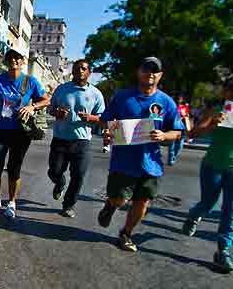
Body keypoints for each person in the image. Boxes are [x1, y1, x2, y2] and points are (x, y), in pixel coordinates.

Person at [97, 57, 184, 252]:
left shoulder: (166, 102)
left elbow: (177, 132)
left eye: (155, 70)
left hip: (150, 163)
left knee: (142, 201)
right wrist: (108, 132)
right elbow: (105, 121)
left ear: (160, 75)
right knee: (119, 199)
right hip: (123, 162)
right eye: (146, 69)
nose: (150, 73)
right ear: (139, 72)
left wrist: (164, 135)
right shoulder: (122, 97)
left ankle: (126, 233)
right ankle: (111, 205)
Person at [0, 49, 50, 220]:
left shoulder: (30, 81)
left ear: (22, 61)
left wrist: (31, 107)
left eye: (17, 58)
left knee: (14, 169)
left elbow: (46, 99)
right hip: (0, 129)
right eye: (10, 58)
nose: (14, 60)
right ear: (6, 62)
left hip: (21, 132)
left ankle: (11, 202)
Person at [181, 78, 233, 272]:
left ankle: (223, 250)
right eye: (231, 89)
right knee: (207, 204)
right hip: (213, 166)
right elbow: (193, 133)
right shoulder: (216, 112)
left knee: (231, 211)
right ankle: (194, 215)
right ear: (225, 92)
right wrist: (212, 125)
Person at [47, 59, 105, 217]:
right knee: (54, 171)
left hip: (82, 141)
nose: (80, 71)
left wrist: (90, 118)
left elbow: (102, 118)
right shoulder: (62, 89)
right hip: (60, 139)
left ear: (89, 73)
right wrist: (57, 113)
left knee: (79, 175)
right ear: (72, 71)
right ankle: (59, 183)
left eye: (84, 68)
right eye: (77, 68)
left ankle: (68, 205)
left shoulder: (96, 93)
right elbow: (50, 108)